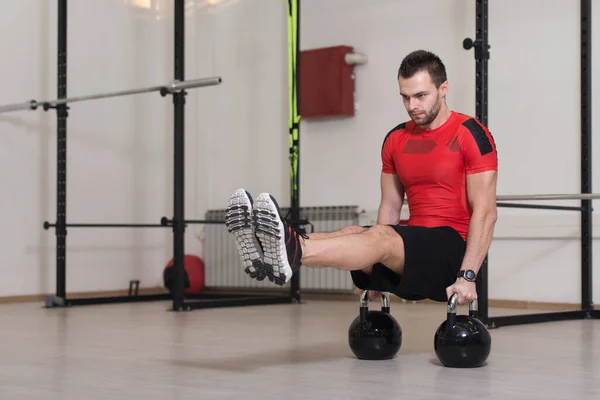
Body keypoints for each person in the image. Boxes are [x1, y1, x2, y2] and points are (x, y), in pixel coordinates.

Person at [224, 49, 498, 306]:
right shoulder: (397, 138)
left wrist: (468, 275)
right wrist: (376, 267)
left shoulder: (469, 134)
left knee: (379, 237)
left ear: (443, 89)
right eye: (405, 97)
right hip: (413, 246)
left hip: (452, 253)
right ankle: (268, 249)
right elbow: (390, 206)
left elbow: (485, 213)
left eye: (420, 96)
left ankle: (290, 248)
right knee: (354, 232)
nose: (412, 106)